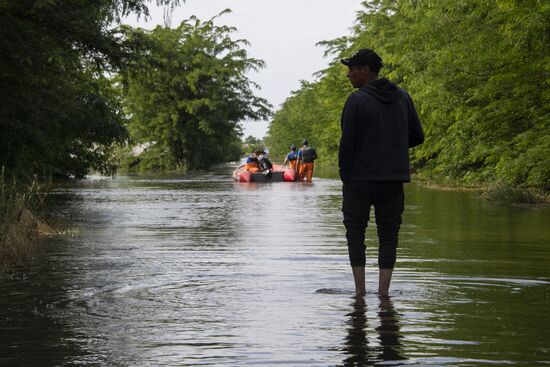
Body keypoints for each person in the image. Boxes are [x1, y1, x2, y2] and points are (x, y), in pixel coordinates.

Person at [339, 48, 424, 296]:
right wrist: (392, 143)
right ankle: (384, 294)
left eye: (351, 69)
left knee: (356, 234)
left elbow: (347, 145)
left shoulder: (356, 100)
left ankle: (360, 293)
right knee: (389, 236)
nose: (348, 75)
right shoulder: (403, 97)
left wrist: (346, 175)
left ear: (365, 71)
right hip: (392, 178)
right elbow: (418, 136)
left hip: (359, 179)